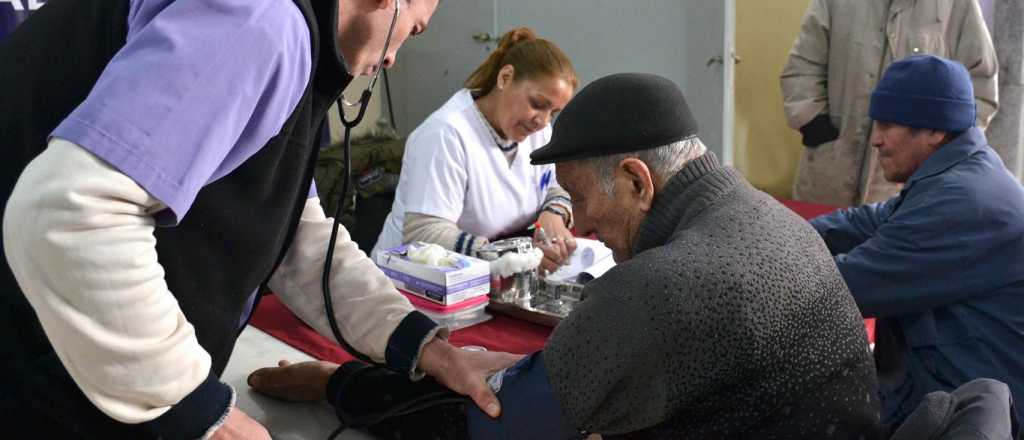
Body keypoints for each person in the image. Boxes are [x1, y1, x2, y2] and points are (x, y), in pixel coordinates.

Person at [249, 73, 881, 439]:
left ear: (638, 182)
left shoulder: (668, 284)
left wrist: (337, 383)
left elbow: (493, 429)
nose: (579, 224)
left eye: (576, 198)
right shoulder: (761, 214)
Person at [0, 0, 522, 438]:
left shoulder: (294, 47)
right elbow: (71, 214)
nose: (392, 58)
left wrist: (427, 348)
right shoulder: (262, 19)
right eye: (412, 29)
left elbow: (297, 238)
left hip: (88, 368)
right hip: (43, 370)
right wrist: (203, 413)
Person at [810, 54, 1024, 431]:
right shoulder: (961, 173)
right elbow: (861, 222)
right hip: (953, 389)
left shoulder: (963, 201)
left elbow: (845, 287)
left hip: (973, 420)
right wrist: (775, 231)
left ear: (935, 132)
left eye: (888, 125)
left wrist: (754, 269)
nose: (875, 140)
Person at [372, 27, 578, 273]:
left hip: (483, 275)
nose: (544, 121)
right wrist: (509, 253)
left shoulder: (538, 130)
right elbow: (423, 232)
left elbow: (558, 185)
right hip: (413, 282)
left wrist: (553, 215)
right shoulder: (446, 135)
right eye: (537, 104)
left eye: (553, 112)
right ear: (505, 77)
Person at [781, 0, 999, 207]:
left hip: (909, 187)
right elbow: (802, 66)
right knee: (813, 240)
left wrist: (944, 150)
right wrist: (812, 121)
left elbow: (980, 86)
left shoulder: (957, 6)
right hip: (829, 171)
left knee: (893, 240)